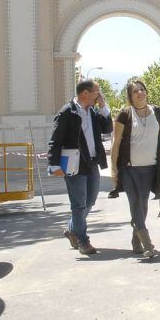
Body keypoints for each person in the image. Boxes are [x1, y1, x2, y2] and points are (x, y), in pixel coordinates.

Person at [47, 79, 113, 255]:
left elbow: (107, 128)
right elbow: (56, 139)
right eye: (97, 92)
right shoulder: (67, 112)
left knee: (90, 201)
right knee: (78, 205)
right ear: (85, 93)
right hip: (75, 164)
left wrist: (103, 106)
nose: (99, 95)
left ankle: (71, 229)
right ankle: (83, 241)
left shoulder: (92, 111)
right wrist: (53, 164)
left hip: (92, 162)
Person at [110, 79, 160, 258]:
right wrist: (114, 168)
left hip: (150, 168)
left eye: (142, 89)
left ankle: (136, 240)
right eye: (135, 91)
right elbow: (117, 142)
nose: (140, 93)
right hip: (129, 169)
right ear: (130, 95)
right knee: (135, 203)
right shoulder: (125, 114)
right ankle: (147, 243)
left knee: (142, 205)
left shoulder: (157, 112)